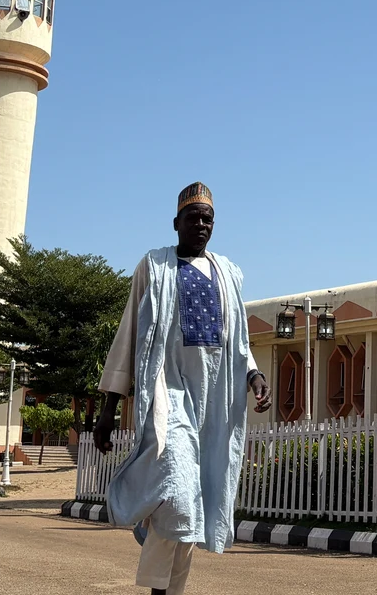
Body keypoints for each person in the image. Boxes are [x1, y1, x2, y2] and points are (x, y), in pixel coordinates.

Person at [92, 182, 271, 595]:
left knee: (192, 506)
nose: (202, 225)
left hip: (212, 404)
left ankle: (172, 590)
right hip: (167, 396)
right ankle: (158, 591)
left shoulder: (229, 274)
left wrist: (253, 376)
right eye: (193, 218)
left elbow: (238, 341)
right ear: (176, 224)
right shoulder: (154, 267)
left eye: (208, 219)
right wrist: (108, 408)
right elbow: (128, 336)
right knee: (176, 494)